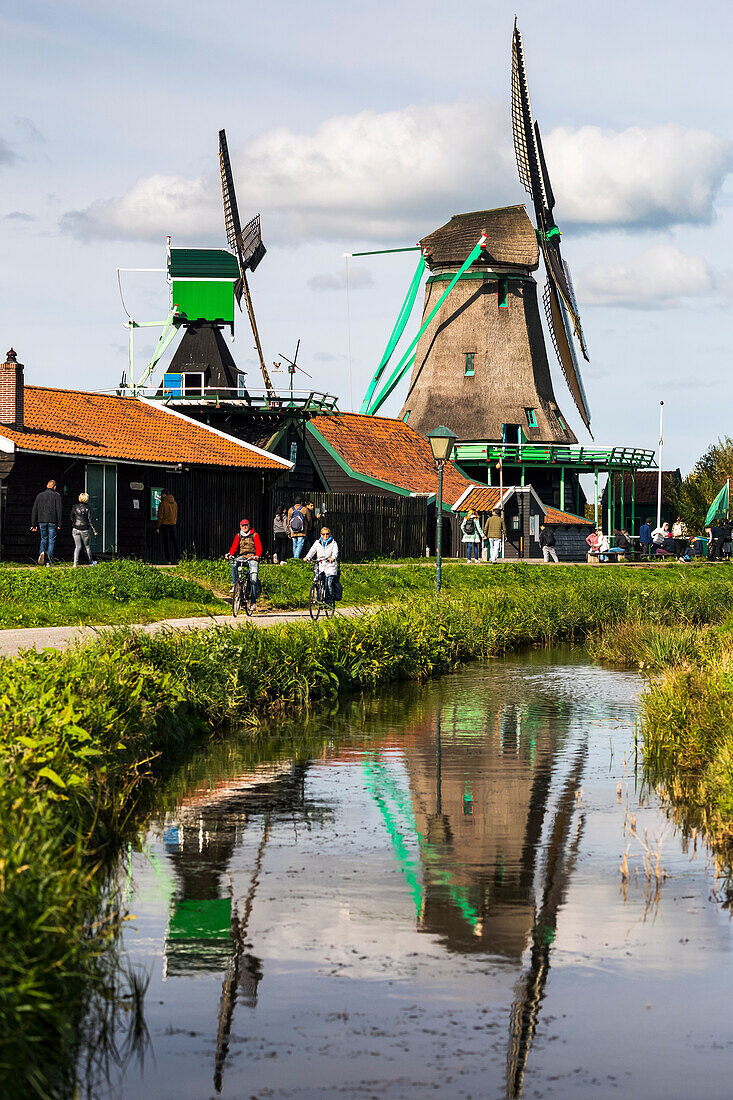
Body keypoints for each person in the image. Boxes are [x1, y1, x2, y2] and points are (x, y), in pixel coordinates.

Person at [228, 518, 262, 606]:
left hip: (252, 557)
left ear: (249, 526)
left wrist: (257, 556)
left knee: (253, 578)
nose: (245, 527)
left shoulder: (255, 535)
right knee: (233, 563)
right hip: (242, 556)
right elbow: (234, 547)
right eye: (243, 525)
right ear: (240, 526)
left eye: (246, 525)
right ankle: (235, 585)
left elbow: (259, 547)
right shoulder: (238, 536)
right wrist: (230, 554)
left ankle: (253, 602)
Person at [31, 479, 62, 566]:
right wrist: (60, 523)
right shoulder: (57, 495)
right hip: (53, 521)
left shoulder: (40, 495)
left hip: (41, 521)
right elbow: (59, 510)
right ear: (54, 487)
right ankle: (48, 561)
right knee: (51, 541)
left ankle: (41, 554)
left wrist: (33, 524)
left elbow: (34, 510)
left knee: (43, 539)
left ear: (47, 486)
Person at [305, 525, 339, 602]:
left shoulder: (333, 543)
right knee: (317, 579)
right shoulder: (317, 542)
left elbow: (335, 553)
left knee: (328, 584)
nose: (325, 536)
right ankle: (318, 596)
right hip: (320, 565)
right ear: (321, 535)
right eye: (323, 534)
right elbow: (312, 551)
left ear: (329, 534)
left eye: (327, 534)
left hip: (330, 566)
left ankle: (329, 600)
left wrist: (333, 558)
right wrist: (307, 557)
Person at [70, 492, 97, 567]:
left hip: (75, 528)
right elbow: (90, 520)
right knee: (87, 546)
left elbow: (71, 518)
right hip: (85, 529)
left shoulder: (74, 506)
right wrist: (94, 530)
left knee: (77, 546)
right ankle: (91, 562)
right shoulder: (88, 508)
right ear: (86, 499)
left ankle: (75, 563)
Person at [156, 492, 180, 564]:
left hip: (164, 524)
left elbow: (160, 516)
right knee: (174, 542)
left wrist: (158, 526)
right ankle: (179, 558)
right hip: (172, 524)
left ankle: (168, 560)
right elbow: (175, 514)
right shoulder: (175, 503)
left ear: (164, 494)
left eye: (161, 494)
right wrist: (173, 522)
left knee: (166, 542)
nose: (160, 496)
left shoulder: (162, 504)